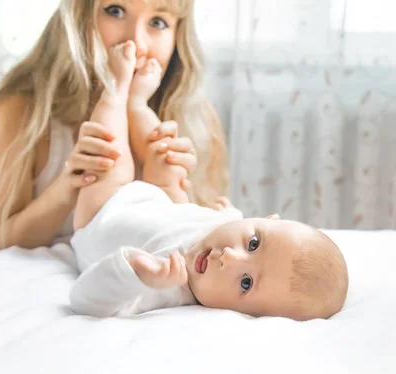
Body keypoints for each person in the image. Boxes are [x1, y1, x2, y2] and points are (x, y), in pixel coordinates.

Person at [69, 42, 349, 321]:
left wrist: (134, 271)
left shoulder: (168, 285)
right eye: (253, 243)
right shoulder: (224, 227)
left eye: (245, 283)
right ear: (267, 219)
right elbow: (216, 218)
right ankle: (138, 104)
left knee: (110, 159)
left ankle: (116, 92)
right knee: (168, 160)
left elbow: (84, 300)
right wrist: (223, 212)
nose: (229, 257)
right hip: (162, 203)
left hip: (103, 214)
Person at [0, 0, 228, 250]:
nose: (136, 43)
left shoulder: (195, 120)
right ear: (77, 16)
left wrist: (178, 190)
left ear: (177, 37)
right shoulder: (23, 114)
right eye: (115, 11)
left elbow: (202, 248)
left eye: (158, 22)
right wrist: (66, 188)